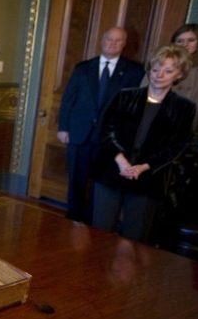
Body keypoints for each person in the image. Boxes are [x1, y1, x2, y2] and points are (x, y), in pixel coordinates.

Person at [91, 45, 195, 243]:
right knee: (99, 234)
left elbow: (176, 147)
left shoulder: (184, 108)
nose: (159, 75)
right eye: (156, 69)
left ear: (179, 74)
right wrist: (122, 162)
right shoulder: (125, 96)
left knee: (135, 240)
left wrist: (143, 167)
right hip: (112, 172)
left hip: (148, 180)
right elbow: (105, 131)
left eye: (168, 71)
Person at [58, 27, 145, 223]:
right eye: (109, 39)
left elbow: (133, 106)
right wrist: (63, 127)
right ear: (102, 41)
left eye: (118, 40)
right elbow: (68, 99)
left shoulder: (135, 71)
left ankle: (93, 220)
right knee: (77, 179)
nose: (112, 43)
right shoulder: (83, 68)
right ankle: (74, 216)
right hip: (79, 134)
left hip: (110, 138)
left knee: (101, 182)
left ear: (124, 44)